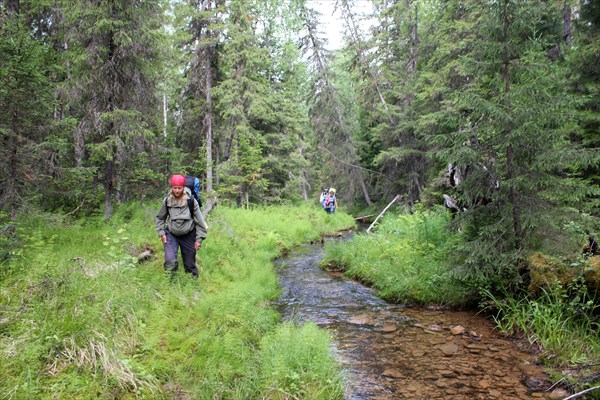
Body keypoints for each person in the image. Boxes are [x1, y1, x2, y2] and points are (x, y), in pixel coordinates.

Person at [155, 174, 208, 278]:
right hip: (171, 234)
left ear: (183, 187)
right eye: (174, 188)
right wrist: (161, 233)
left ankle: (192, 285)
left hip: (188, 234)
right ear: (172, 187)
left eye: (179, 188)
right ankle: (170, 283)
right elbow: (160, 218)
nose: (177, 191)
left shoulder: (191, 201)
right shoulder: (167, 200)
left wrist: (199, 239)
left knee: (189, 265)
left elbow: (200, 222)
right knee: (170, 261)